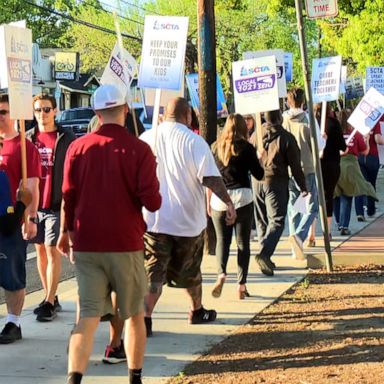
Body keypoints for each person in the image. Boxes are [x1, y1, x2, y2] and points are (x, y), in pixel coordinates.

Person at [57, 84, 161, 384]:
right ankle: (135, 377)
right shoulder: (140, 149)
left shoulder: (78, 148)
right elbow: (152, 201)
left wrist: (65, 232)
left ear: (97, 113)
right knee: (133, 315)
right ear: (125, 110)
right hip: (126, 243)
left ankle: (74, 379)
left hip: (87, 244)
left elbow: (68, 195)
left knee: (87, 318)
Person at [140, 97, 236, 337]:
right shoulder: (195, 142)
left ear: (163, 114)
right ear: (188, 116)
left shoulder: (146, 139)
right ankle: (196, 310)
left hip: (153, 220)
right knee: (191, 271)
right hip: (187, 222)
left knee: (153, 273)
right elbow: (210, 178)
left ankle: (145, 318)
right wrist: (228, 202)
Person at [27, 94, 75, 322]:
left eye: (46, 109)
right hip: (35, 206)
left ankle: (48, 301)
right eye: (38, 110)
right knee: (39, 252)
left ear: (55, 111)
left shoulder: (65, 138)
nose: (42, 114)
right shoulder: (28, 139)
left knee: (51, 249)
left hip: (57, 204)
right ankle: (51, 296)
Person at [208, 114, 264, 299]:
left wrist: (209, 200)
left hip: (219, 199)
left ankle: (221, 273)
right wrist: (260, 159)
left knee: (222, 241)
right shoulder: (247, 148)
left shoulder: (215, 147)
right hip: (242, 198)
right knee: (243, 243)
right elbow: (260, 175)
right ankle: (241, 285)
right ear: (243, 128)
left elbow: (210, 177)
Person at [0, 93, 41, 344]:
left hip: (12, 221)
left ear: (14, 115)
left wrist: (31, 218)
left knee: (12, 274)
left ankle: (13, 322)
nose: (0, 117)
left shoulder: (26, 149)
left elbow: (33, 186)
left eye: (3, 112)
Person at [250, 109, 307, 276]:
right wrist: (303, 187)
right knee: (277, 220)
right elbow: (296, 167)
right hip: (275, 182)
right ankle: (264, 253)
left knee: (261, 219)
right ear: (280, 118)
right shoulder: (287, 138)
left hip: (256, 181)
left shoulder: (256, 136)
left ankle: (265, 253)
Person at [283, 88, 318, 260]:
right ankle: (299, 236)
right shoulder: (309, 120)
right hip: (307, 168)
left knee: (294, 207)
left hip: (290, 170)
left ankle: (294, 247)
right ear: (303, 101)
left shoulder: (283, 120)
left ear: (288, 101)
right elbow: (319, 146)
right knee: (312, 207)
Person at [333, 110, 376, 235]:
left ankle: (337, 221)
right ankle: (344, 225)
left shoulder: (334, 133)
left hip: (335, 165)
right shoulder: (355, 134)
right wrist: (367, 139)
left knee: (336, 194)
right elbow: (365, 152)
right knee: (347, 195)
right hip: (351, 166)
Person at [313, 103, 346, 239]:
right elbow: (342, 146)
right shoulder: (333, 123)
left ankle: (311, 233)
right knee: (328, 196)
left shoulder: (310, 123)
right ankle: (327, 231)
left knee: (313, 198)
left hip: (314, 164)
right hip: (332, 164)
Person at [355, 115, 384, 220]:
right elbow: (378, 139)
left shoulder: (356, 122)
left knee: (359, 184)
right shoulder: (374, 122)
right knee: (371, 184)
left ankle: (359, 212)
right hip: (372, 156)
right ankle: (370, 210)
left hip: (359, 156)